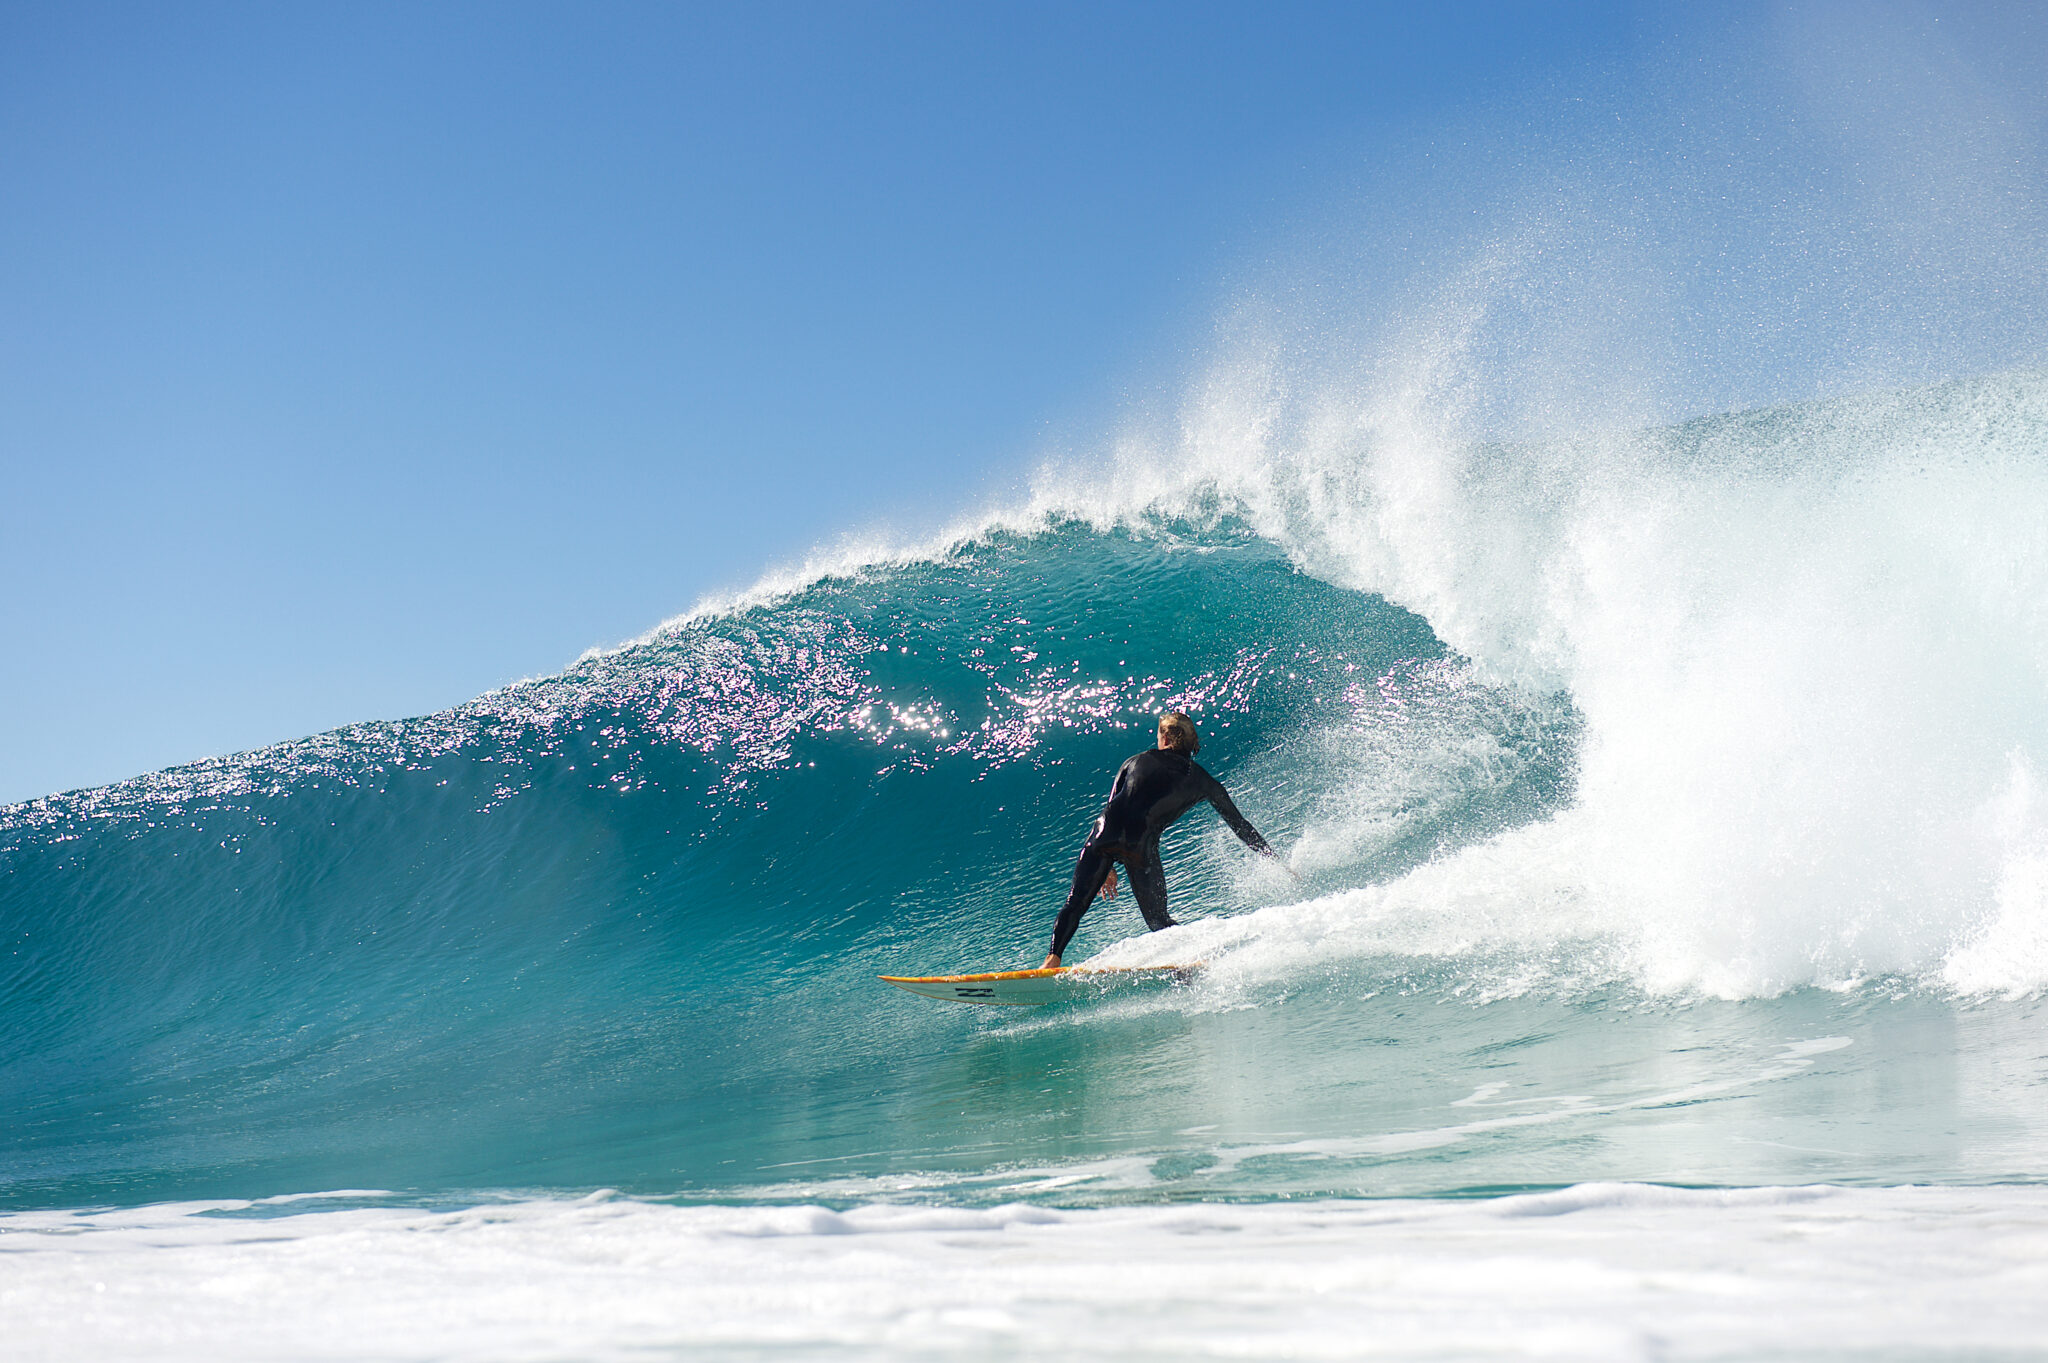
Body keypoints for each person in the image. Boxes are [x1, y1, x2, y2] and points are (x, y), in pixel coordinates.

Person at [1041, 711, 1280, 968]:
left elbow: (1111, 807)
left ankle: (1052, 960)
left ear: (1165, 736)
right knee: (1158, 921)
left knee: (1075, 904)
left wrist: (1107, 865)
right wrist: (1274, 859)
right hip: (1140, 846)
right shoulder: (1203, 781)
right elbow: (1240, 826)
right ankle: (1192, 961)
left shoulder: (1134, 760)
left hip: (1104, 836)